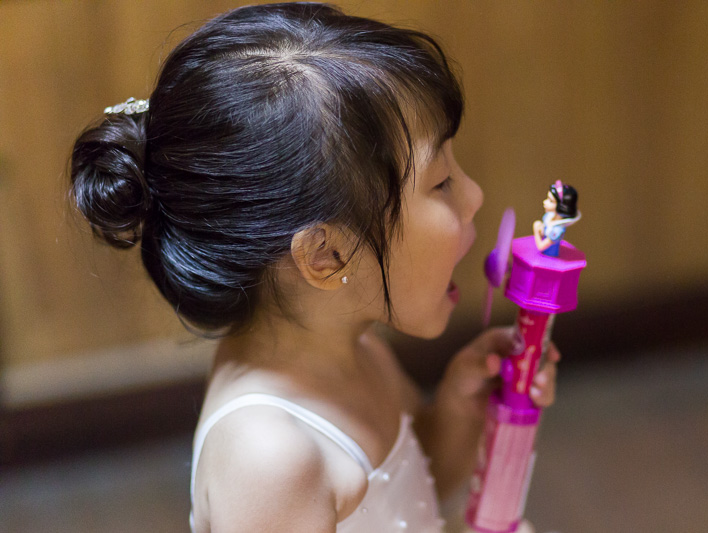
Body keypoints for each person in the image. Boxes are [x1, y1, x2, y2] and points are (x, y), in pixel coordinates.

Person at [69, 4, 558, 532]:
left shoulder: (355, 346)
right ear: (326, 255)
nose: (476, 195)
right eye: (440, 182)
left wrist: (463, 403)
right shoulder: (271, 459)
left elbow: (415, 492)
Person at [532, 181, 580, 258]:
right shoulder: (549, 216)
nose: (545, 202)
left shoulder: (557, 231)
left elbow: (541, 246)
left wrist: (536, 230)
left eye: (550, 201)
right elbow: (545, 232)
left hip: (550, 256)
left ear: (561, 206)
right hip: (542, 255)